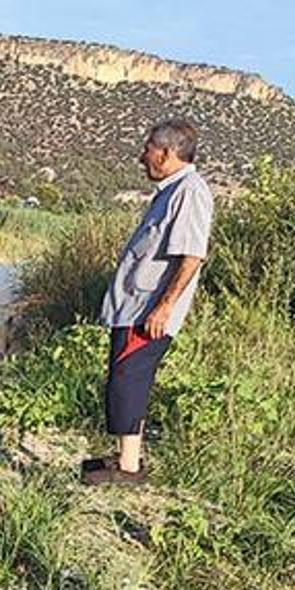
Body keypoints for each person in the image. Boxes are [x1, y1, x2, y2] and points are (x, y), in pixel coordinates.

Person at [82, 119, 214, 486]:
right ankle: (127, 459)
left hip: (150, 310)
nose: (143, 157)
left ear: (167, 153)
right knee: (126, 378)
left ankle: (128, 470)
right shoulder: (170, 191)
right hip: (134, 306)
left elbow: (192, 255)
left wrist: (165, 307)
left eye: (148, 149)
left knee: (128, 378)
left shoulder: (190, 191)